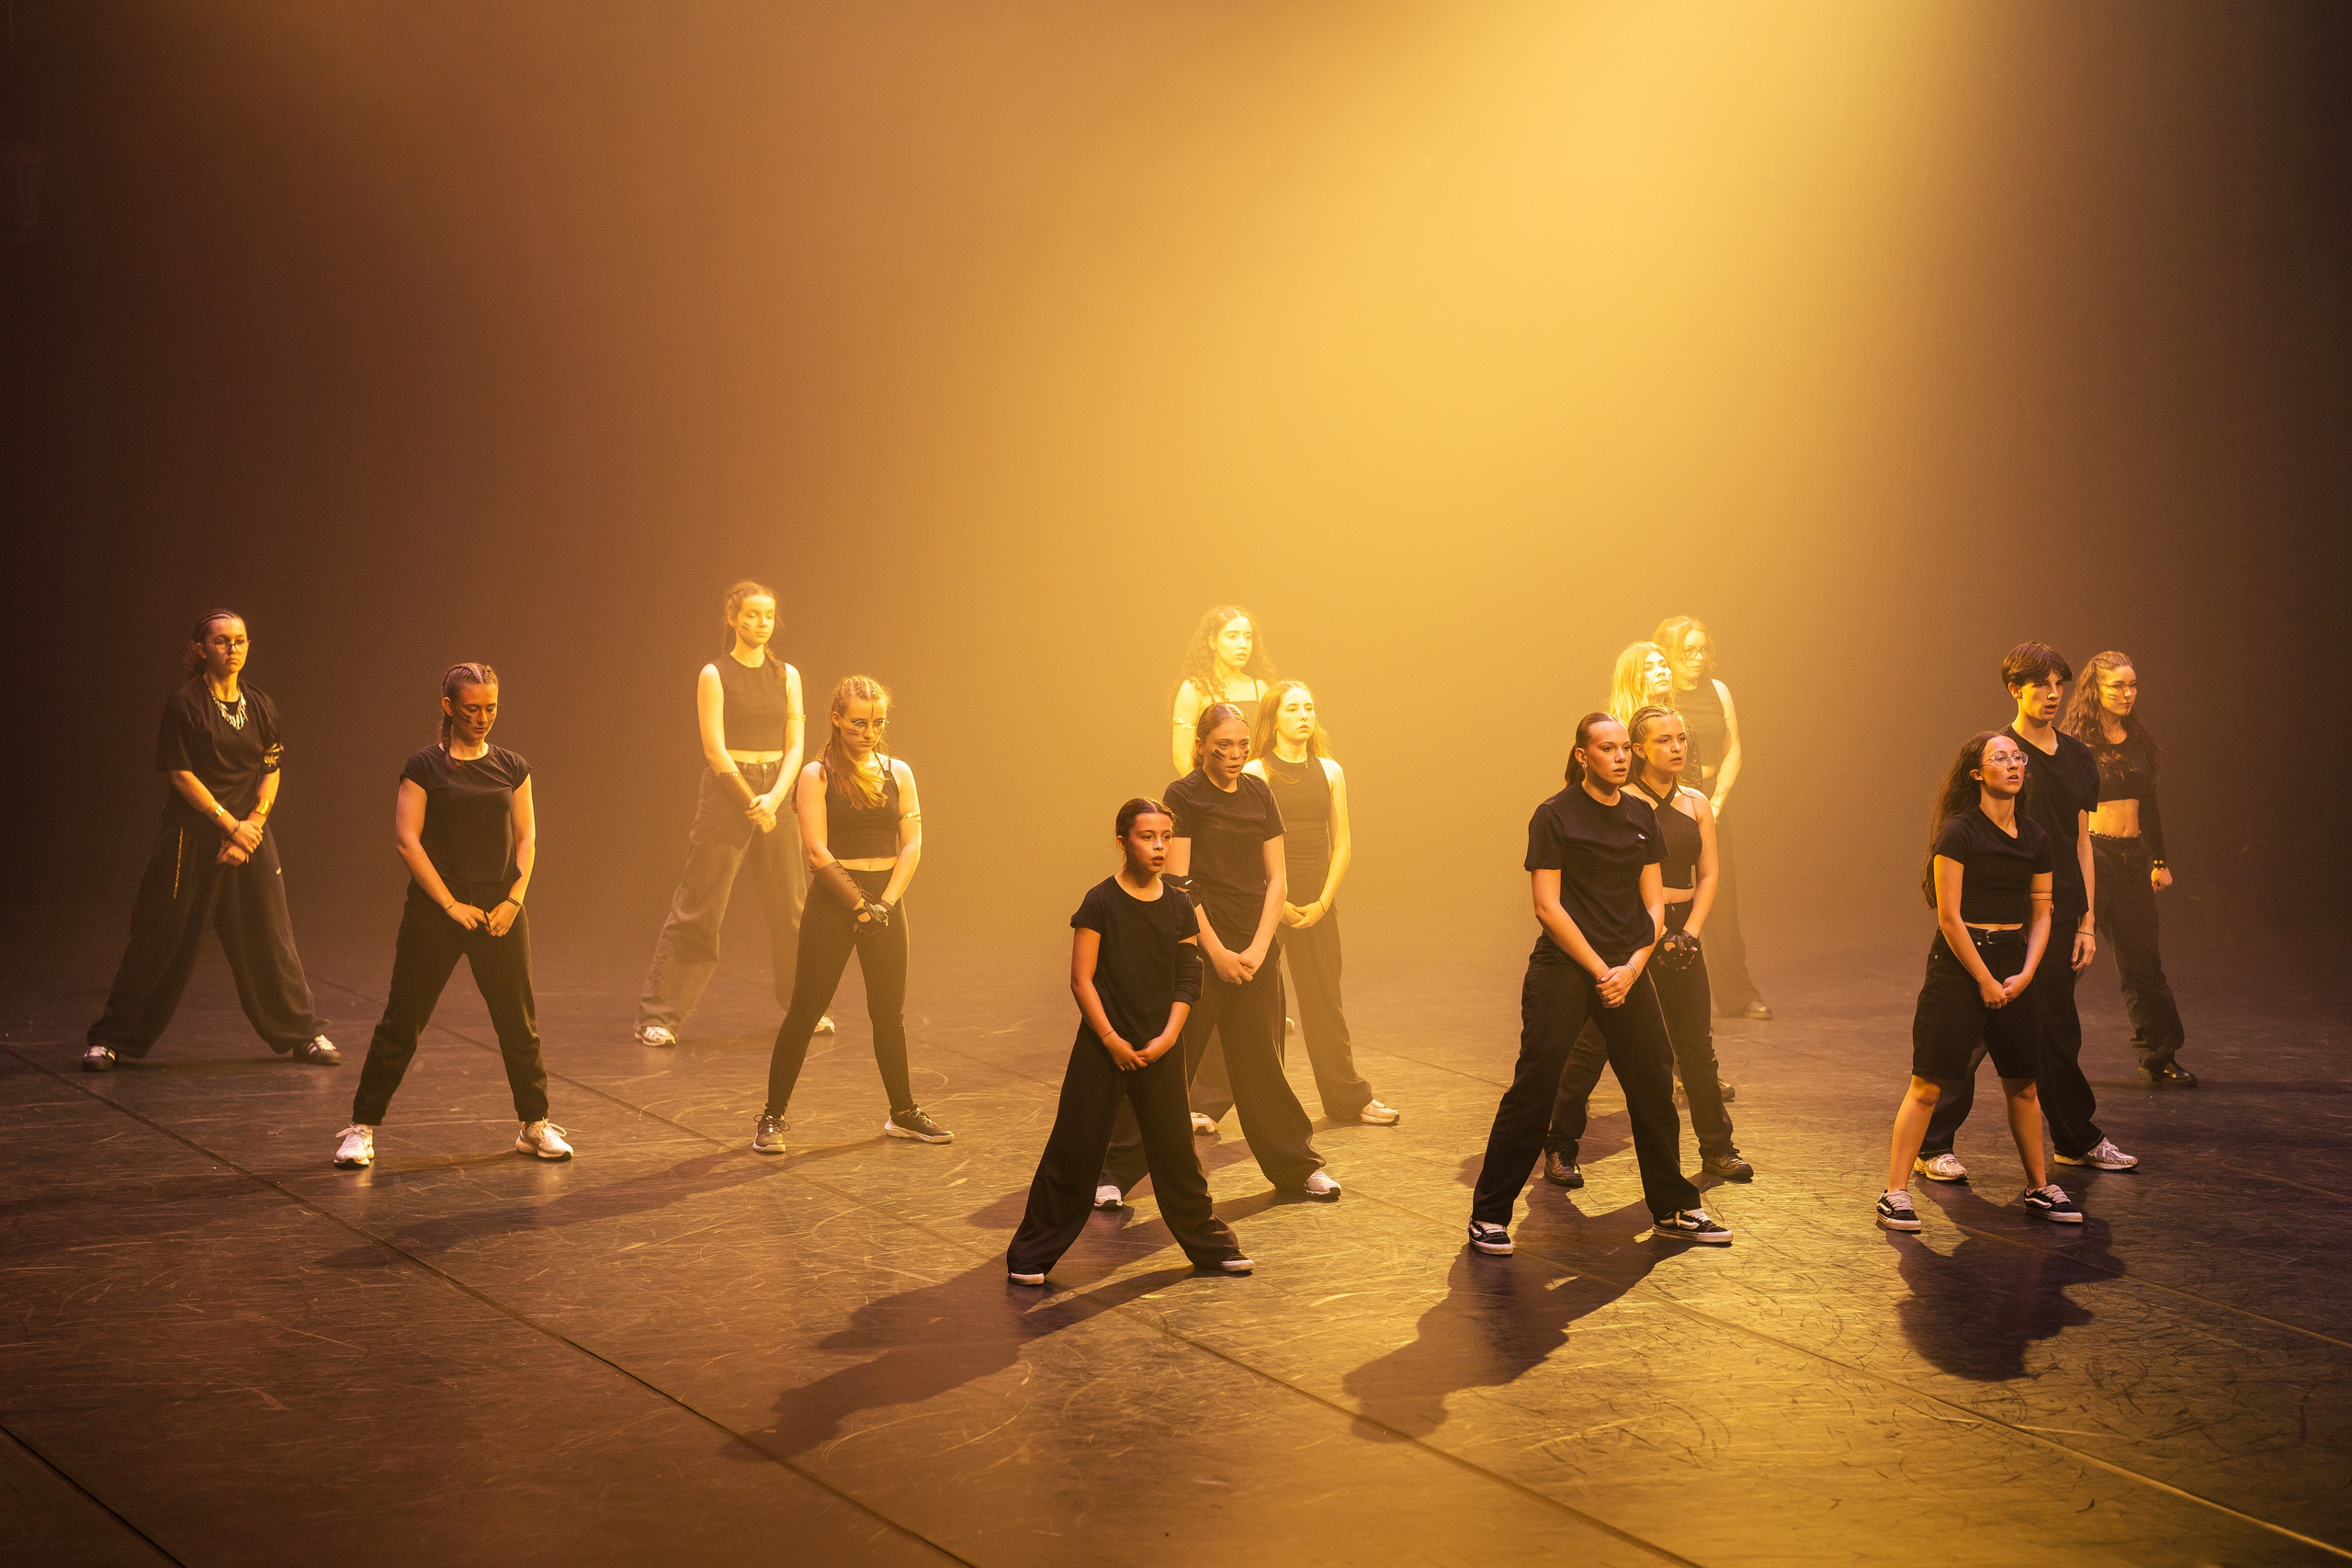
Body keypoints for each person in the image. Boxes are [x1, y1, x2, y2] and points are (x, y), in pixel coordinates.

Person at [1464, 713, 1728, 1257]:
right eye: (1607, 749)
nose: (1621, 758)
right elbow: (1547, 906)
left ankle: (1673, 1206)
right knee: (1535, 1088)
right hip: (1566, 967)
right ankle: (1489, 1214)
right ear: (1583, 756)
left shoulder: (1639, 815)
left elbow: (1654, 904)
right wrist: (1599, 968)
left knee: (1653, 1084)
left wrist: (1631, 967)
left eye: (1624, 749)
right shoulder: (1555, 815)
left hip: (1626, 968)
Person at [1914, 643, 2139, 1183]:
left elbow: (2082, 842)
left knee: (2056, 1028)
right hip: (1998, 913)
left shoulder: (2080, 758)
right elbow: (1965, 833)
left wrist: (2085, 920)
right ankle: (1933, 1143)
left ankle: (2074, 1137)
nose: (2052, 694)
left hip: (2056, 914)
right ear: (2016, 690)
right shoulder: (1999, 753)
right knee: (1973, 1031)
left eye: (2059, 684)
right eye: (2040, 685)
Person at [1006, 798, 1252, 1285]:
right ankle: (1031, 1253)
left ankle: (1210, 1247)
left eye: (1165, 837)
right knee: (1073, 1150)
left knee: (1177, 1154)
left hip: (1160, 1046)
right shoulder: (1100, 901)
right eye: (1147, 837)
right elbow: (1082, 980)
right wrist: (1111, 1040)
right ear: (1123, 842)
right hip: (1104, 1046)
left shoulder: (1180, 905)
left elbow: (1188, 976)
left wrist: (1166, 1039)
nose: (1159, 847)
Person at [1099, 704, 1339, 1203]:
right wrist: (1219, 953)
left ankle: (1298, 1166)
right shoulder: (1183, 795)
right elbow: (1180, 884)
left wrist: (1257, 947)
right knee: (1171, 1062)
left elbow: (1277, 877)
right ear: (1203, 745)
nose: (1233, 755)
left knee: (1260, 1061)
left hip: (1254, 948)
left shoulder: (1258, 792)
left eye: (1241, 746)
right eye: (1222, 746)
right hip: (1200, 947)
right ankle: (1114, 1173)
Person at [335, 663, 570, 1168]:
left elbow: (527, 836)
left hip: (500, 908)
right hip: (437, 907)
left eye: (491, 708)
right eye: (472, 709)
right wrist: (449, 904)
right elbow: (407, 839)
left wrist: (513, 899)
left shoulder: (512, 766)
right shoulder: (424, 766)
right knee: (403, 1020)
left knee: (518, 1022)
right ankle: (362, 1127)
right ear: (448, 707)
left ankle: (534, 1125)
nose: (483, 717)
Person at [85, 610, 336, 1072]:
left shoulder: (261, 705)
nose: (232, 648)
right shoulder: (185, 703)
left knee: (273, 940)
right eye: (222, 641)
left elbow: (271, 771)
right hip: (192, 842)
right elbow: (181, 774)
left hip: (249, 843)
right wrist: (229, 825)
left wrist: (252, 826)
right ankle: (110, 1039)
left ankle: (304, 1034)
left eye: (240, 640)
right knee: (159, 939)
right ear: (201, 649)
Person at [1877, 732, 2082, 1232]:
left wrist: (2026, 972)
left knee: (2024, 1085)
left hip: (2013, 963)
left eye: (2018, 759)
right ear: (1977, 774)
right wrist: (1985, 979)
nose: (2013, 765)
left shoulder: (2034, 837)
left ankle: (2039, 1186)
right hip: (1960, 963)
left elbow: (2042, 910)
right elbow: (1949, 918)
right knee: (1928, 1083)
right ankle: (1895, 1193)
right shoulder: (1959, 833)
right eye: (2001, 758)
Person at [1542, 706, 1750, 1186]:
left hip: (1682, 930)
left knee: (1696, 1047)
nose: (1677, 748)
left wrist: (1692, 932)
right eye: (1664, 741)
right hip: (1632, 931)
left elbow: (1711, 873)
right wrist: (1640, 938)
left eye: (1681, 739)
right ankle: (1560, 1146)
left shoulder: (1696, 803)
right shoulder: (1624, 803)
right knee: (1592, 1045)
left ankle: (1718, 1148)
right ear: (1639, 749)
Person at [752, 676, 951, 1153]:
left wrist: (885, 902)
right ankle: (773, 1117)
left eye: (878, 722)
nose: (869, 731)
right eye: (859, 722)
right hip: (835, 902)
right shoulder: (816, 774)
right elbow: (816, 851)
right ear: (837, 719)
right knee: (805, 1012)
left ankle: (902, 1112)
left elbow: (913, 845)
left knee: (889, 1015)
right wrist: (858, 903)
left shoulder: (898, 771)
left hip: (886, 901)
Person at [635, 580, 833, 1047]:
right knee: (700, 906)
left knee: (792, 906)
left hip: (777, 793)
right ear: (733, 618)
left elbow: (795, 745)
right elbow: (713, 749)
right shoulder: (715, 673)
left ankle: (804, 1006)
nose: (760, 624)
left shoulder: (787, 675)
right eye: (751, 616)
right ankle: (659, 1015)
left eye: (767, 616)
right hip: (729, 793)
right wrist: (750, 800)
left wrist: (777, 796)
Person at [1237, 682, 1397, 1125]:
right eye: (1293, 708)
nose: (1304, 715)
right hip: (1268, 894)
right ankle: (1212, 1103)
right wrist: (1280, 902)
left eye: (1309, 707)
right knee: (1254, 1002)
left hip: (1317, 896)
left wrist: (1323, 902)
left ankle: (1348, 1098)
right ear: (1275, 717)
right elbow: (1249, 846)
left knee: (1324, 998)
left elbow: (1342, 843)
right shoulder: (1255, 772)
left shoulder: (1329, 770)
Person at [2062, 651, 2194, 1086]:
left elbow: (2149, 806)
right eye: (2117, 686)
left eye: (2132, 685)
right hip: (2092, 858)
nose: (2127, 693)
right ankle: (2046, 1056)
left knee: (2143, 965)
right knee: (2068, 962)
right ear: (2094, 690)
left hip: (2133, 858)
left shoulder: (2137, 740)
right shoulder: (2074, 744)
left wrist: (2159, 861)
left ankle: (2159, 1055)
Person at [1652, 616, 1770, 1021]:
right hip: (1667, 805)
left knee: (1721, 898)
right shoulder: (1662, 698)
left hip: (1709, 804)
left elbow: (1733, 748)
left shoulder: (1718, 691)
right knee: (1666, 895)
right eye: (1688, 651)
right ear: (1668, 652)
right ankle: (1661, 989)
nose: (1698, 658)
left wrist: (1715, 802)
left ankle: (1737, 993)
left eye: (1703, 650)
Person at [1169, 604, 1275, 777]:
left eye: (1248, 637)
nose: (1243, 644)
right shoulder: (1195, 689)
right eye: (1232, 636)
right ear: (1212, 641)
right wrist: (1209, 793)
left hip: (1255, 788)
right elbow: (1181, 757)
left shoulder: (1261, 689)